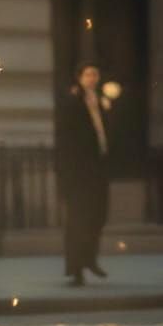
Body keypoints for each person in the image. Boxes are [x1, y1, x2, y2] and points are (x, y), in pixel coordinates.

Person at [56, 62, 112, 287]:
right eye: (88, 74)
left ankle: (90, 259)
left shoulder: (100, 101)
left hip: (98, 169)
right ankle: (76, 268)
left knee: (97, 216)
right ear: (79, 77)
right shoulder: (72, 102)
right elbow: (67, 139)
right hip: (79, 172)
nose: (92, 78)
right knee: (78, 220)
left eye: (95, 74)